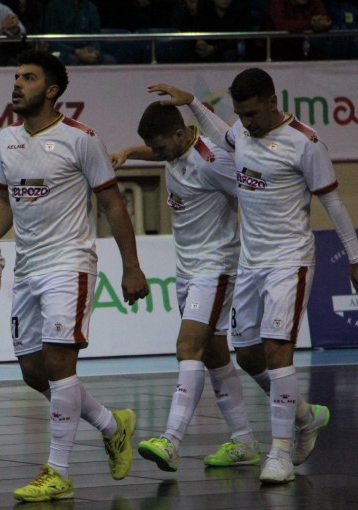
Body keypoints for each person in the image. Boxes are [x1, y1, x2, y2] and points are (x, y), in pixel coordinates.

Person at [148, 69, 358, 483]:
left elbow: (332, 202)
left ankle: (279, 453)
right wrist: (191, 102)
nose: (247, 123)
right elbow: (222, 130)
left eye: (253, 114)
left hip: (289, 261)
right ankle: (304, 417)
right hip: (249, 263)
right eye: (241, 115)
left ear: (272, 100)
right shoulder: (241, 134)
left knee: (279, 351)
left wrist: (354, 255)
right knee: (247, 354)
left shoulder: (305, 143)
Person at [0, 49, 149, 501]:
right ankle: (112, 424)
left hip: (69, 264)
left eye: (27, 77)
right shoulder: (6, 137)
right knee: (33, 371)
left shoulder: (81, 139)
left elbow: (111, 205)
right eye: (15, 76)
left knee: (59, 364)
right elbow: (7, 202)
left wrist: (132, 265)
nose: (17, 84)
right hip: (26, 268)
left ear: (51, 91)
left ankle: (59, 472)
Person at [110, 102, 263, 472]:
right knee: (214, 355)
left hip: (216, 267)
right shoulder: (174, 149)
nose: (158, 155)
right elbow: (158, 149)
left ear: (181, 135)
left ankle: (171, 439)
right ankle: (249, 438)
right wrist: (131, 152)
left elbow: (256, 197)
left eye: (160, 148)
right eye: (154, 149)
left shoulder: (213, 163)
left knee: (187, 347)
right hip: (186, 270)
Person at [44, 0, 117, 65]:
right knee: (72, 60)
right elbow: (52, 40)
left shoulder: (91, 7)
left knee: (109, 60)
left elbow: (96, 35)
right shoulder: (54, 6)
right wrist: (76, 51)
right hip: (64, 50)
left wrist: (93, 49)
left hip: (87, 49)